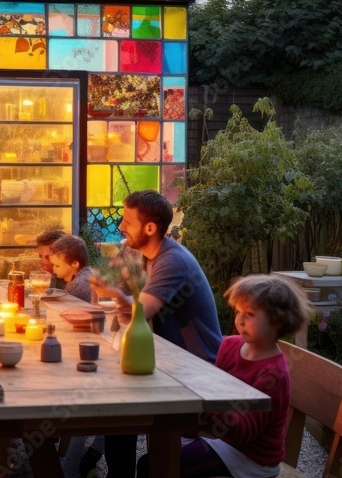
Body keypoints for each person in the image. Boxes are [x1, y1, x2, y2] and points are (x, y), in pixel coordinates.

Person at [92, 190, 224, 477]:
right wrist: (113, 290)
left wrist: (114, 294)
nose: (120, 227)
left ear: (150, 228)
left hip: (196, 371)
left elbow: (139, 314)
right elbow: (124, 307)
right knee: (116, 400)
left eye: (127, 221)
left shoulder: (172, 260)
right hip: (163, 359)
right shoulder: (136, 251)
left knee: (118, 404)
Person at [136, 274, 310, 478]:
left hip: (250, 457)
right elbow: (214, 388)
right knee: (157, 450)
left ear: (278, 320)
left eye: (250, 314)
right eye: (238, 311)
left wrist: (202, 405)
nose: (240, 320)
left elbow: (245, 431)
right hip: (219, 438)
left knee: (155, 465)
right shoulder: (230, 345)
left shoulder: (274, 373)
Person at [49, 234, 96, 303]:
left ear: (75, 264)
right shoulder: (88, 273)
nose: (53, 269)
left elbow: (65, 308)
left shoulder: (76, 286)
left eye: (57, 265)